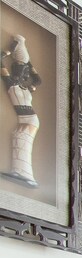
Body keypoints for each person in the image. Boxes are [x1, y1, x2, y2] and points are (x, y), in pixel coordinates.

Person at [1, 34, 43, 188]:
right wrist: (13, 49)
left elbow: (38, 80)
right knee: (17, 136)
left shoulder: (26, 87)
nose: (23, 74)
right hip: (25, 118)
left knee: (21, 139)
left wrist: (25, 58)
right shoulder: (12, 83)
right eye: (20, 71)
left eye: (25, 72)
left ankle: (26, 175)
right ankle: (18, 171)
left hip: (30, 119)